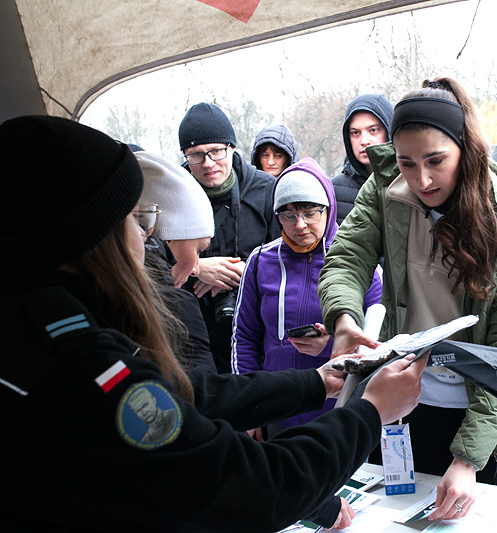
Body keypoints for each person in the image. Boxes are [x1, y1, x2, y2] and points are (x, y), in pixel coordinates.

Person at [0, 115, 427, 532]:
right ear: (90, 240)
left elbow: (185, 394)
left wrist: (318, 382)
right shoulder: (82, 370)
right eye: (135, 219)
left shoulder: (35, 325)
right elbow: (255, 485)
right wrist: (371, 411)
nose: (145, 237)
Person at [318, 77, 497, 521]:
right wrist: (343, 318)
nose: (421, 179)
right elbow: (346, 258)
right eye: (406, 162)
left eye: (436, 161)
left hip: (476, 405)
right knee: (388, 514)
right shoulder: (384, 190)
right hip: (399, 395)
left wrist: (468, 459)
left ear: (464, 149)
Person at [232, 157, 383, 431]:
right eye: (288, 215)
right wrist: (248, 409)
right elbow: (244, 337)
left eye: (310, 212)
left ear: (329, 209)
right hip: (275, 412)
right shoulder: (260, 262)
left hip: (338, 413)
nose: (300, 225)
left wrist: (329, 347)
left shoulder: (359, 264)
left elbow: (380, 344)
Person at [178, 103, 282, 373]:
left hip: (257, 329)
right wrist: (198, 268)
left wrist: (243, 272)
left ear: (232, 147)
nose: (208, 163)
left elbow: (288, 259)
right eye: (196, 155)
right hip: (195, 337)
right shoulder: (174, 196)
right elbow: (155, 268)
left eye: (216, 151)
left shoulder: (266, 191)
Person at [135, 150, 217, 375]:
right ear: (166, 237)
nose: (196, 269)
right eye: (198, 250)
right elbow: (206, 392)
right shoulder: (174, 305)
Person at [331, 94, 393, 225]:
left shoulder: (409, 181)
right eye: (355, 133)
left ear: (389, 131)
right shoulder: (334, 190)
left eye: (373, 130)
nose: (364, 141)